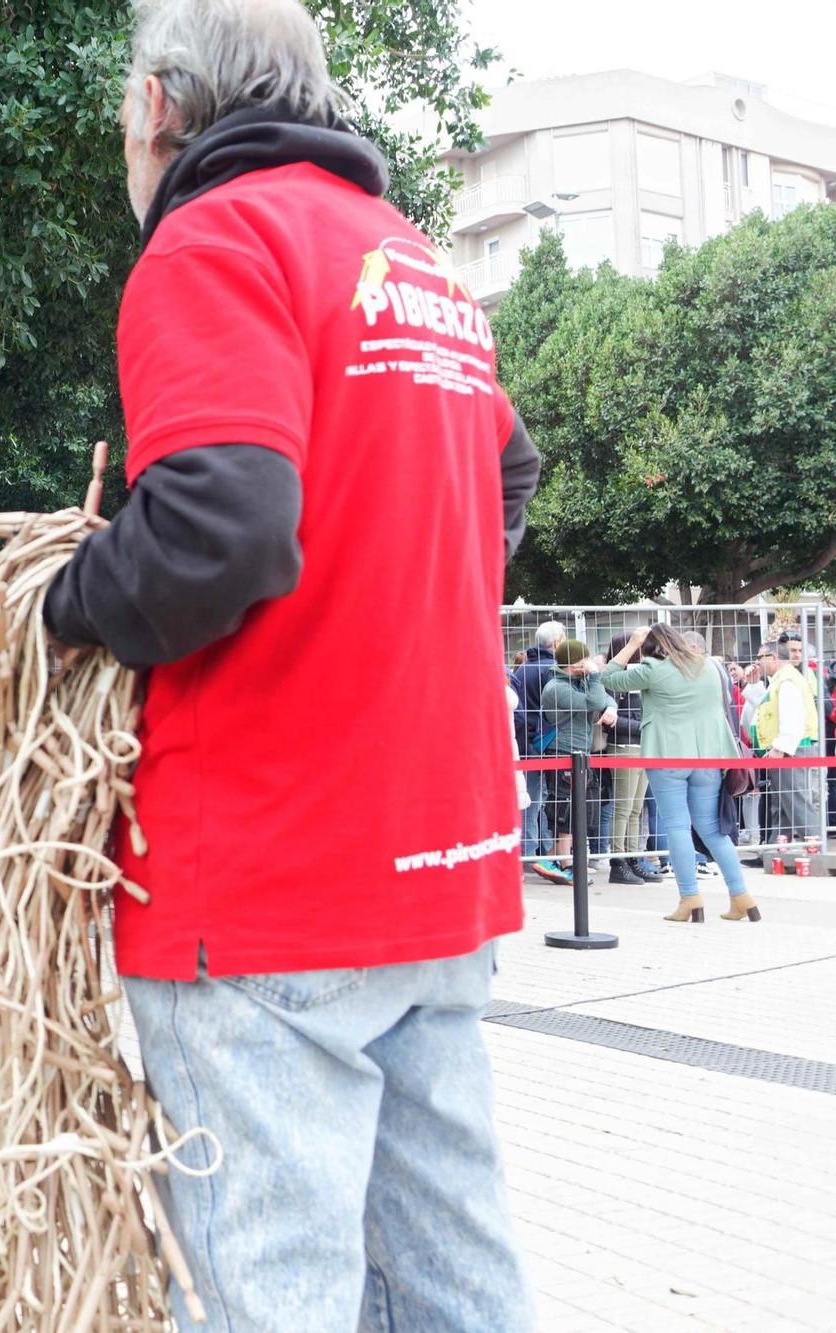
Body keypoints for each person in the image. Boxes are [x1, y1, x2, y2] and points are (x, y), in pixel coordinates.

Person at [37, 3, 541, 1326]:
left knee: (271, 1295)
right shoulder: (412, 258)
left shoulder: (216, 237)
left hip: (269, 883)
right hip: (435, 867)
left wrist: (59, 600)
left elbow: (219, 523)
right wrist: (403, 611)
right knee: (452, 1283)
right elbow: (511, 463)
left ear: (158, 106)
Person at [603, 625, 757, 923]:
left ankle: (690, 898)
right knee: (712, 830)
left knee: (677, 826)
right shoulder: (712, 666)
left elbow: (608, 676)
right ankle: (742, 896)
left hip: (667, 756)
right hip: (708, 758)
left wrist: (633, 641)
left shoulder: (652, 668)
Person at [538, 640, 614, 880]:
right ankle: (566, 865)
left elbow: (604, 698)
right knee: (566, 809)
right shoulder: (556, 688)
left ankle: (549, 859)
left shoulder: (577, 681)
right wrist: (594, 678)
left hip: (581, 752)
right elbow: (594, 702)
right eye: (586, 660)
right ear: (575, 664)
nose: (590, 664)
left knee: (582, 808)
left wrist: (612, 707)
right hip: (563, 753)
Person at [509, 621, 568, 883]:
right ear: (556, 643)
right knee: (539, 802)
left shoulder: (522, 670)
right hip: (545, 742)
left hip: (525, 743)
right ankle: (532, 856)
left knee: (531, 801)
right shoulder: (553, 670)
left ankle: (531, 853)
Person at [602, 635, 656, 886]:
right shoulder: (616, 680)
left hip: (641, 746)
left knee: (636, 809)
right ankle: (618, 861)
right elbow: (610, 721)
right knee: (623, 808)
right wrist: (645, 727)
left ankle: (633, 858)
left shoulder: (640, 676)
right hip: (623, 747)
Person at [752, 640, 818, 843]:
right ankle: (775, 850)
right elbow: (766, 707)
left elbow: (792, 717)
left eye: (760, 657)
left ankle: (816, 843)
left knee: (796, 802)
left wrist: (780, 747)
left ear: (773, 657)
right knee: (782, 805)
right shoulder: (782, 680)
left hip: (791, 750)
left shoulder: (787, 681)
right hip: (788, 749)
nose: (757, 662)